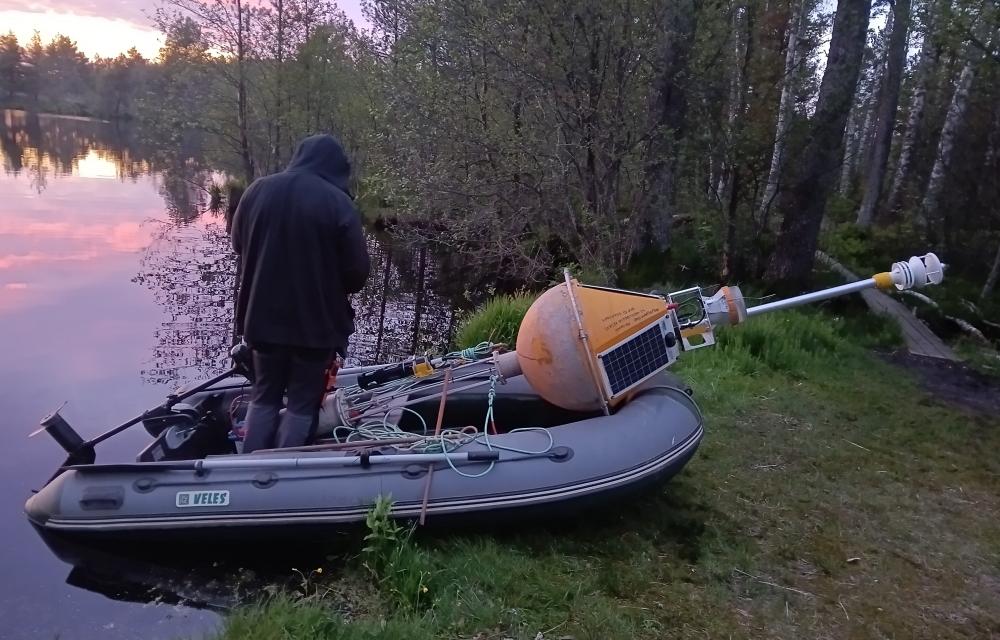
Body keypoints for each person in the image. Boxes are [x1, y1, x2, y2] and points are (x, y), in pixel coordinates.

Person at [231, 134, 371, 453]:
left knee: (264, 395)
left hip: (261, 320)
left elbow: (239, 245)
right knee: (302, 401)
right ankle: (281, 465)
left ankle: (250, 462)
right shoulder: (338, 203)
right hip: (315, 328)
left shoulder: (257, 190)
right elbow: (356, 275)